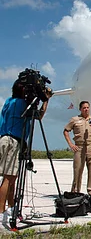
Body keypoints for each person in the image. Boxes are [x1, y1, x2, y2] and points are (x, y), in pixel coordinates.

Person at [0, 80, 51, 226]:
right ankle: (1, 212)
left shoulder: (9, 101)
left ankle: (11, 207)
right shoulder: (23, 104)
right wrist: (45, 100)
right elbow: (39, 116)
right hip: (13, 141)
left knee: (12, 178)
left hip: (4, 138)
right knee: (8, 179)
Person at [63, 101, 91, 195]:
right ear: (80, 109)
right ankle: (75, 191)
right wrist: (71, 144)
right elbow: (66, 131)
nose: (86, 109)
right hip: (79, 147)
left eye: (87, 107)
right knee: (77, 170)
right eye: (84, 108)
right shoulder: (75, 119)